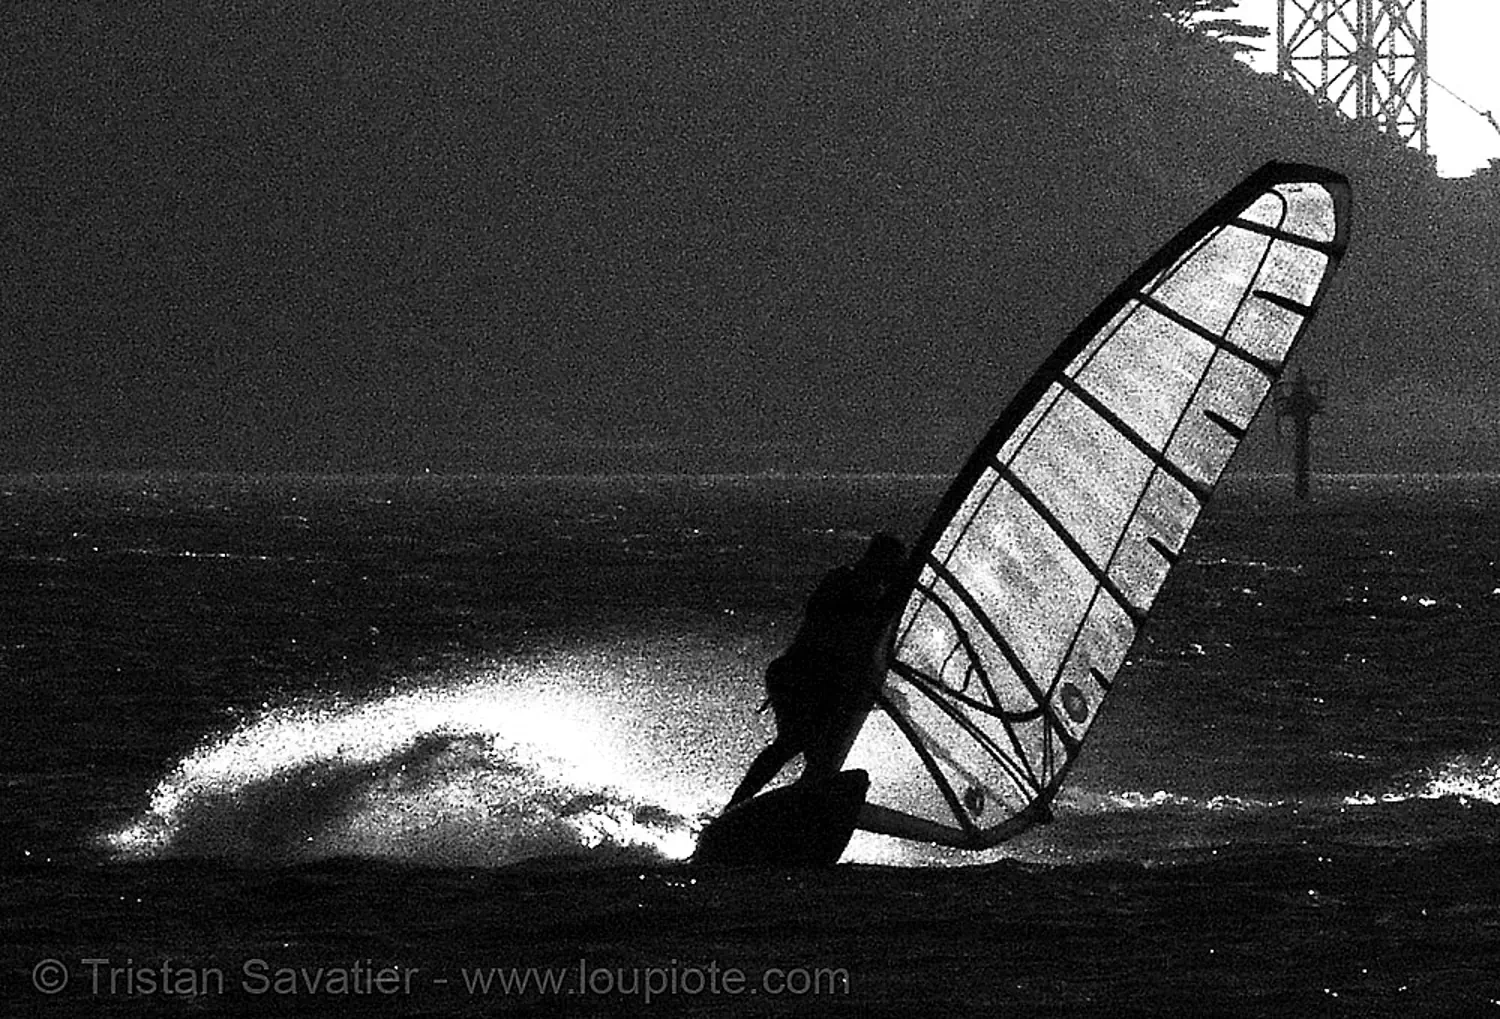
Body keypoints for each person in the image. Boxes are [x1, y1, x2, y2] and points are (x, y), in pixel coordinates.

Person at [726, 533, 908, 808]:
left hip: (824, 684)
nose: (891, 572)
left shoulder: (872, 594)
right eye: (890, 565)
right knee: (793, 742)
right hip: (795, 676)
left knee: (821, 760)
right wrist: (891, 595)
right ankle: (736, 807)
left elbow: (867, 648)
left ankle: (794, 813)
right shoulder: (844, 582)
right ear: (876, 560)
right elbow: (839, 621)